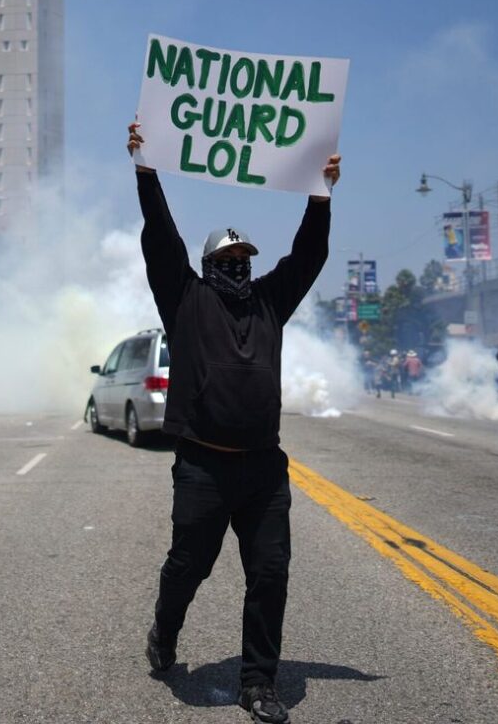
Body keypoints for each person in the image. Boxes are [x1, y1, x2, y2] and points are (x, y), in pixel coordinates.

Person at [129, 121, 340, 724]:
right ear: (209, 263)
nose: (239, 266)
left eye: (245, 258)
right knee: (187, 567)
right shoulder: (185, 299)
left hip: (263, 470)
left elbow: (310, 255)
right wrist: (146, 167)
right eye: (228, 258)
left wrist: (320, 193)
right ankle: (165, 631)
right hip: (203, 465)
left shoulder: (272, 302)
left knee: (270, 573)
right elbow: (160, 237)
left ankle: (258, 684)